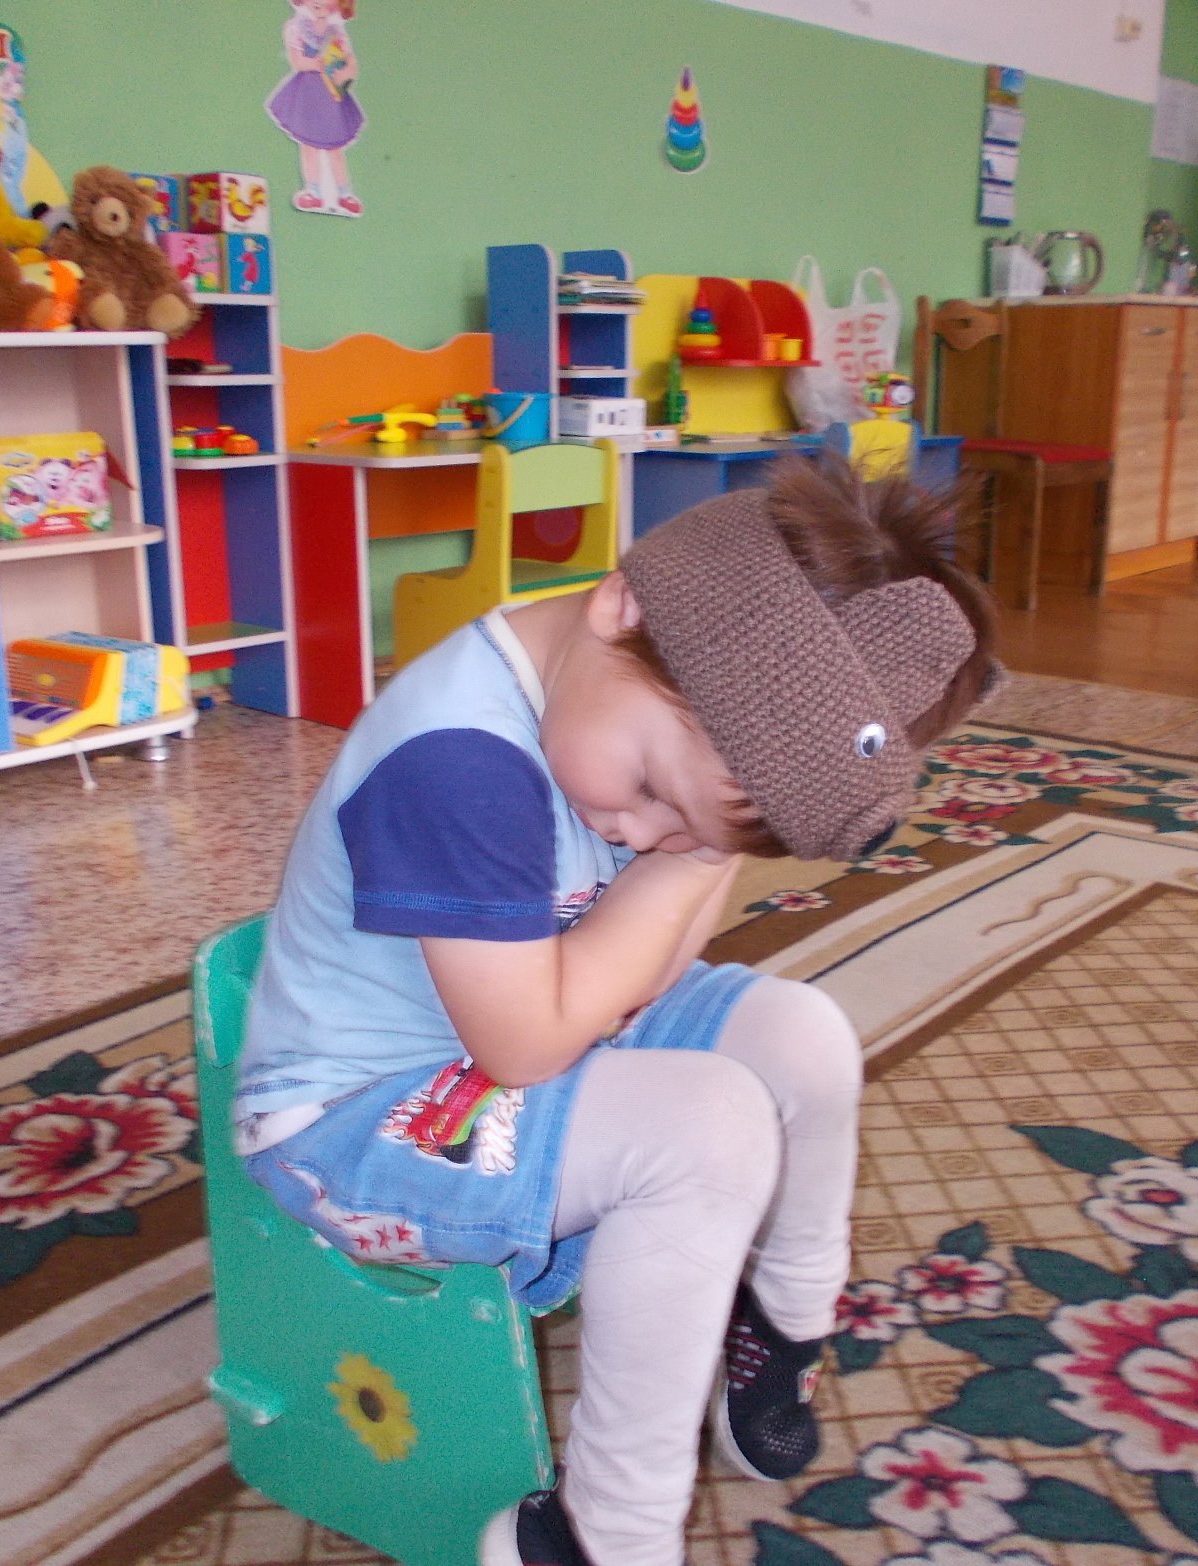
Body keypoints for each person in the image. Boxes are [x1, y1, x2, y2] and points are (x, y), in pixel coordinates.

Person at [233, 456, 1000, 1566]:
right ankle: (609, 1535)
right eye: (649, 792)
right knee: (708, 1130)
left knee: (805, 1038)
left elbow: (647, 972)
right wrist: (691, 861)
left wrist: (702, 845)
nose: (642, 836)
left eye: (690, 829)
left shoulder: (643, 707)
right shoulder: (459, 760)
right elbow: (526, 1045)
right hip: (351, 1118)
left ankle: (783, 1315)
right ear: (620, 606)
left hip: (528, 1023)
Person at [266, 0, 364, 216]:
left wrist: (345, 72)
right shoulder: (297, 28)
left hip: (331, 94)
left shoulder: (336, 33)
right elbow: (297, 61)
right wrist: (319, 63)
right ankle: (312, 190)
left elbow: (351, 63)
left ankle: (344, 192)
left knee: (334, 147)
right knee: (308, 144)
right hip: (308, 93)